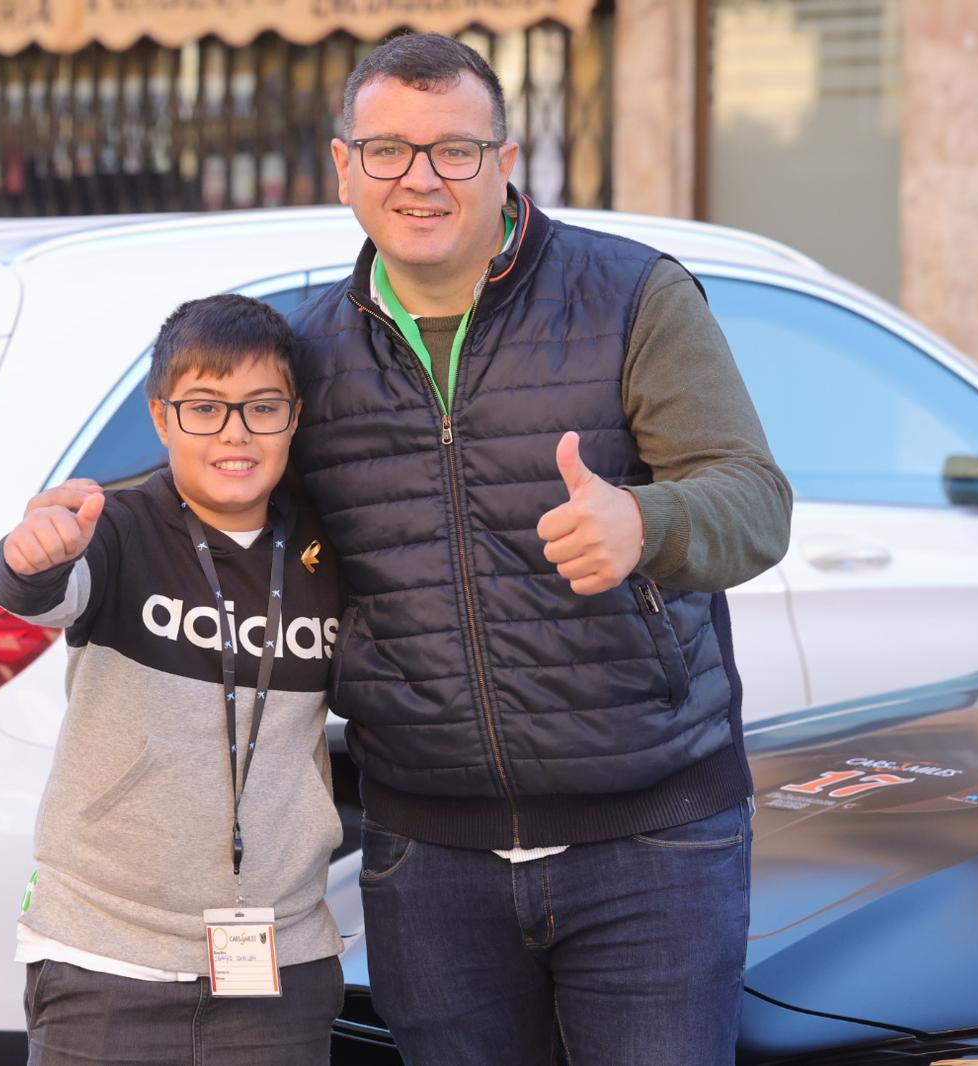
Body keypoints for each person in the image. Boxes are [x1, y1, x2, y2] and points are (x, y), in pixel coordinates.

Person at [285, 32, 793, 1066]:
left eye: (454, 151)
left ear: (506, 162)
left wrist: (643, 525)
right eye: (387, 149)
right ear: (343, 166)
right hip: (428, 861)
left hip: (650, 849)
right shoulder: (309, 356)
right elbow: (219, 504)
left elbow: (755, 501)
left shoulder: (631, 298)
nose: (419, 178)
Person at [0, 294, 347, 1065]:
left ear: (295, 416)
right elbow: (48, 590)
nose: (234, 434)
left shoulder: (327, 549)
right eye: (204, 408)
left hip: (279, 968)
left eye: (261, 407)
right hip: (105, 962)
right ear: (161, 418)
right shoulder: (117, 530)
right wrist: (30, 559)